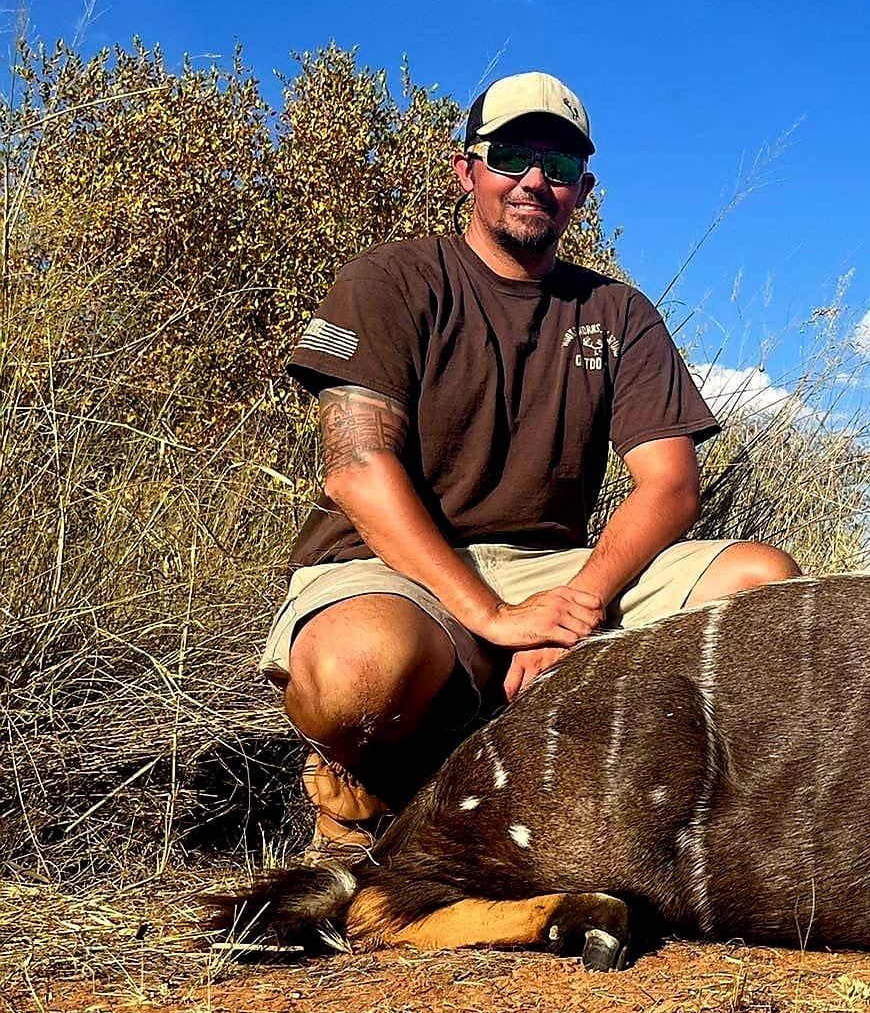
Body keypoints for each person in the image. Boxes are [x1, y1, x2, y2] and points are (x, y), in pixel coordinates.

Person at [260, 71, 798, 853]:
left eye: (560, 167)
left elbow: (671, 484)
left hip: (550, 573)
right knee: (359, 674)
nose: (535, 181)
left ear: (583, 190)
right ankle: (360, 797)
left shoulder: (617, 312)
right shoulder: (391, 280)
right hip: (392, 565)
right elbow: (356, 469)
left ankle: (651, 810)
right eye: (511, 155)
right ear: (466, 170)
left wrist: (575, 605)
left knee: (763, 584)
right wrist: (494, 618)